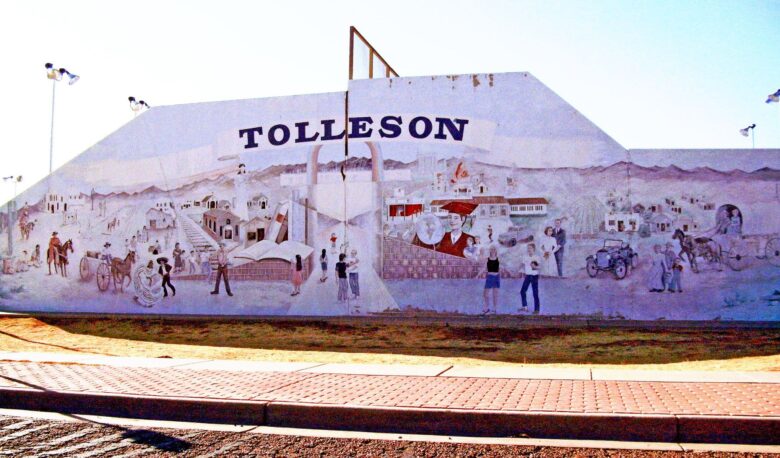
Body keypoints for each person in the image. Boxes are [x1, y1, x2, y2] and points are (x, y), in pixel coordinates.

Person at [519, 243, 542, 314]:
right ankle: (525, 307)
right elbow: (522, 265)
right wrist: (518, 270)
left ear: (533, 249)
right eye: (528, 248)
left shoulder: (537, 257)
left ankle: (537, 310)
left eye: (530, 248)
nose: (529, 249)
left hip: (534, 276)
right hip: (528, 276)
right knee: (522, 291)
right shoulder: (525, 257)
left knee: (535, 293)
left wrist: (535, 267)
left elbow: (539, 267)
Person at [482, 245, 500, 314]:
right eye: (491, 249)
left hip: (496, 277)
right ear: (490, 251)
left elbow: (503, 266)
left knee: (495, 294)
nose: (493, 251)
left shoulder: (498, 259)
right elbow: (484, 268)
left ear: (496, 251)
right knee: (485, 294)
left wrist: (511, 272)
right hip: (490, 276)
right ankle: (487, 308)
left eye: (494, 249)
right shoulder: (487, 259)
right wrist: (477, 275)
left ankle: (495, 309)